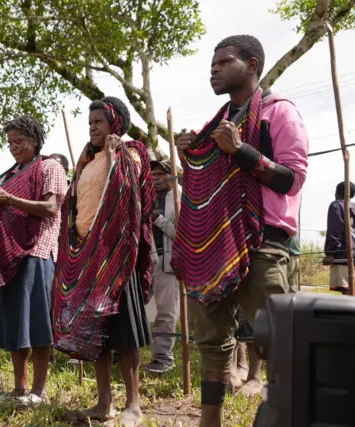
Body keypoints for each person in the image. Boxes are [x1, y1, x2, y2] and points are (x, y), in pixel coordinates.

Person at [172, 35, 308, 427]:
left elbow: (292, 180)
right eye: (211, 64)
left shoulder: (280, 113)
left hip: (263, 242)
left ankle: (282, 416)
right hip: (213, 247)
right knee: (211, 342)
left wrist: (241, 150)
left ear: (251, 66)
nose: (213, 69)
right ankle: (209, 419)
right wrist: (192, 154)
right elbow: (208, 184)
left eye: (223, 62)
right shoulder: (215, 124)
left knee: (278, 340)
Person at [53, 96, 155, 427]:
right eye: (90, 122)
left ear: (116, 123)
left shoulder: (132, 153)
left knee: (124, 333)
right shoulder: (88, 160)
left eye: (98, 120)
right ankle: (103, 404)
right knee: (98, 335)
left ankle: (134, 406)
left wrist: (113, 158)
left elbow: (126, 195)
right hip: (87, 257)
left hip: (116, 257)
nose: (92, 126)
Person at [0, 115, 66, 405]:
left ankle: (39, 391)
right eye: (10, 143)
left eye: (19, 141)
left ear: (35, 140)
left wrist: (9, 200)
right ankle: (20, 388)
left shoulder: (50, 167)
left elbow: (50, 207)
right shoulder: (10, 173)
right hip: (7, 256)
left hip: (35, 252)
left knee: (36, 323)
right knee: (15, 322)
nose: (13, 147)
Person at [146, 160, 179, 374]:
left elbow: (181, 234)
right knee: (136, 310)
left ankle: (163, 357)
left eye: (161, 173)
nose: (156, 177)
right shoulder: (144, 196)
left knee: (166, 312)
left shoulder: (179, 197)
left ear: (171, 175)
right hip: (146, 261)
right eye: (153, 173)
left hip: (167, 262)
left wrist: (157, 219)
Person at [323, 181, 355, 295]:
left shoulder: (336, 205)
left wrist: (332, 253)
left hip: (342, 256)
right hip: (353, 256)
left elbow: (335, 230)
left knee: (348, 293)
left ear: (337, 193)